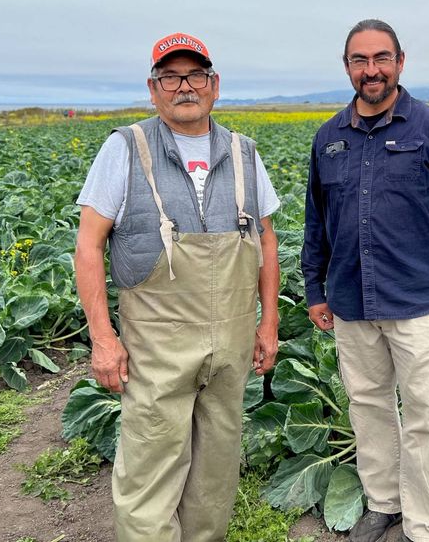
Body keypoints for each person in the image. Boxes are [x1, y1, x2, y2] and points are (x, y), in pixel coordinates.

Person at [74, 32, 280, 542]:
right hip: (156, 346)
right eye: (171, 76)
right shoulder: (125, 148)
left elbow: (267, 241)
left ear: (214, 86)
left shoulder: (244, 152)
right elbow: (87, 246)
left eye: (195, 76)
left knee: (215, 468)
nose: (183, 86)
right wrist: (103, 338)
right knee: (150, 467)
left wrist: (269, 323)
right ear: (153, 89)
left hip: (231, 343)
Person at [301, 19, 429, 542]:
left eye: (381, 58)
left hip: (418, 303)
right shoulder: (329, 138)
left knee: (428, 418)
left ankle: (424, 527)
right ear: (347, 68)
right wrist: (314, 287)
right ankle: (383, 504)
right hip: (351, 303)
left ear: (400, 62)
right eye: (360, 60)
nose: (371, 70)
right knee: (369, 408)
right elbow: (317, 223)